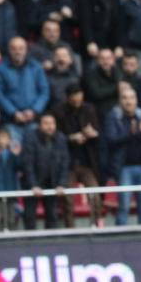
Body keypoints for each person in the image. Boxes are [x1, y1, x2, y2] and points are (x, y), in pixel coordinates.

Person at [53, 83, 103, 228]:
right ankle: (70, 230)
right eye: (74, 96)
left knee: (95, 195)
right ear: (68, 97)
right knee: (68, 199)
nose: (77, 99)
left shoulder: (90, 109)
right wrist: (71, 138)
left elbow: (99, 132)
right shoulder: (59, 112)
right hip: (68, 164)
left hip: (87, 162)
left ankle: (97, 226)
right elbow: (56, 137)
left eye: (79, 95)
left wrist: (93, 134)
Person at [104, 85, 141, 225]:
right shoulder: (114, 117)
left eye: (132, 98)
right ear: (120, 101)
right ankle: (120, 235)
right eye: (125, 98)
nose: (129, 101)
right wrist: (132, 132)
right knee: (124, 206)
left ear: (136, 100)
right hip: (123, 167)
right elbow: (111, 140)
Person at [0, 36, 50, 143]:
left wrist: (34, 110)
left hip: (33, 120)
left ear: (26, 50)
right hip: (10, 121)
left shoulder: (36, 67)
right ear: (9, 50)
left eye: (21, 48)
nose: (17, 52)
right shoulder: (0, 69)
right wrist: (13, 112)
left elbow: (44, 91)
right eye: (14, 48)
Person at [21, 112, 69, 230]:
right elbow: (28, 164)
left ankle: (52, 241)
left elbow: (65, 162)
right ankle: (30, 241)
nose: (50, 126)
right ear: (39, 125)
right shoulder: (30, 138)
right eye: (46, 123)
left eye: (52, 123)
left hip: (52, 183)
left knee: (52, 216)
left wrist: (61, 184)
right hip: (32, 183)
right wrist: (33, 185)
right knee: (30, 217)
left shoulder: (61, 138)